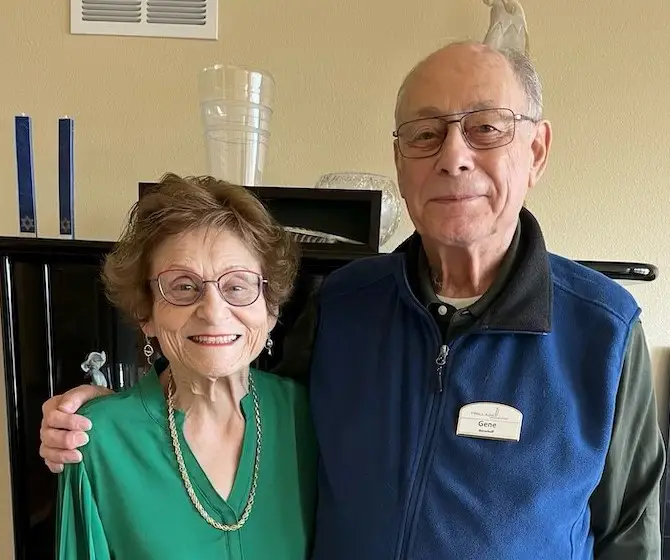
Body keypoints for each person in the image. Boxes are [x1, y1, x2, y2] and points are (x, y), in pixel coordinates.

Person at [40, 41, 665, 559]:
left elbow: (631, 534)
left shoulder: (604, 331)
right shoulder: (344, 303)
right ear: (399, 160)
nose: (453, 157)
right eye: (425, 134)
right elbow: (230, 380)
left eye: (485, 128)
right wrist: (115, 410)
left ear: (536, 150)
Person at [53, 173, 317, 559]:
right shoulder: (97, 442)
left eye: (237, 286)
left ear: (271, 309)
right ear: (146, 313)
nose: (213, 312)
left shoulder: (310, 417)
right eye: (183, 287)